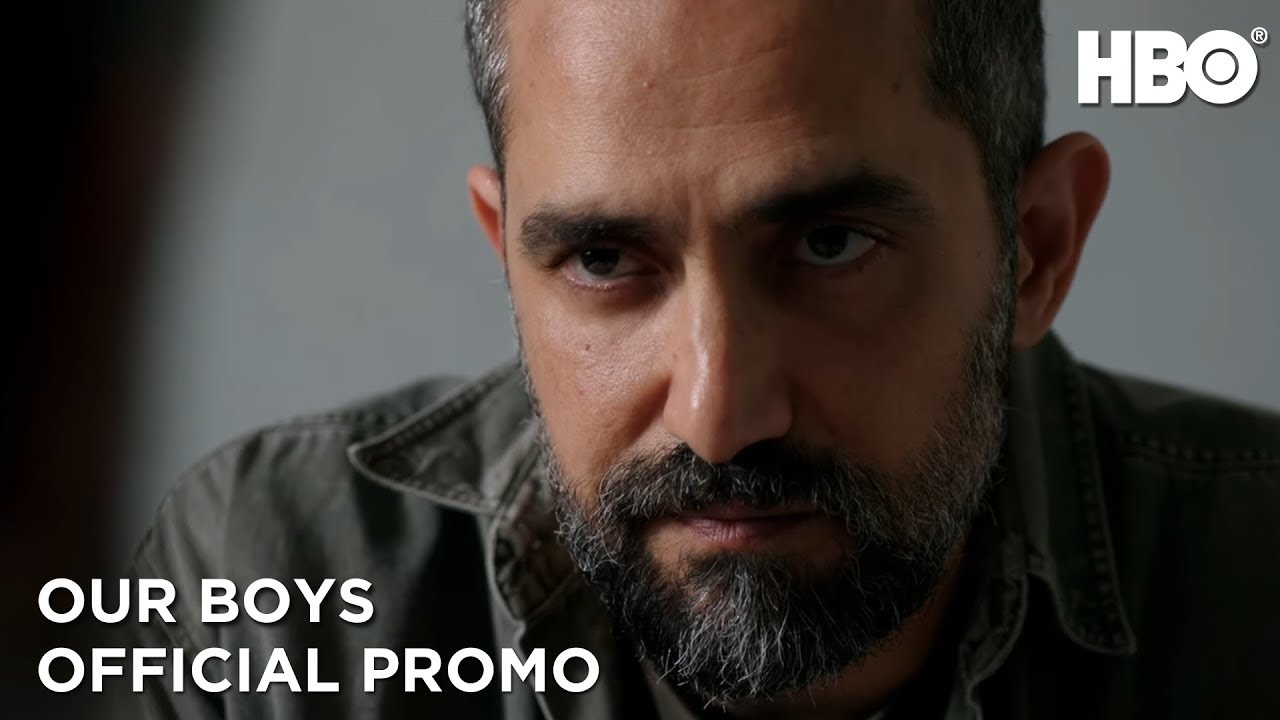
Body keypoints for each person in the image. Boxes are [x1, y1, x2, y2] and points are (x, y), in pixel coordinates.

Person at [126, 0, 1280, 717]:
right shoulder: (277, 596)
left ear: (1034, 248)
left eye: (829, 246)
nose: (718, 415)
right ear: (506, 256)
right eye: (600, 258)